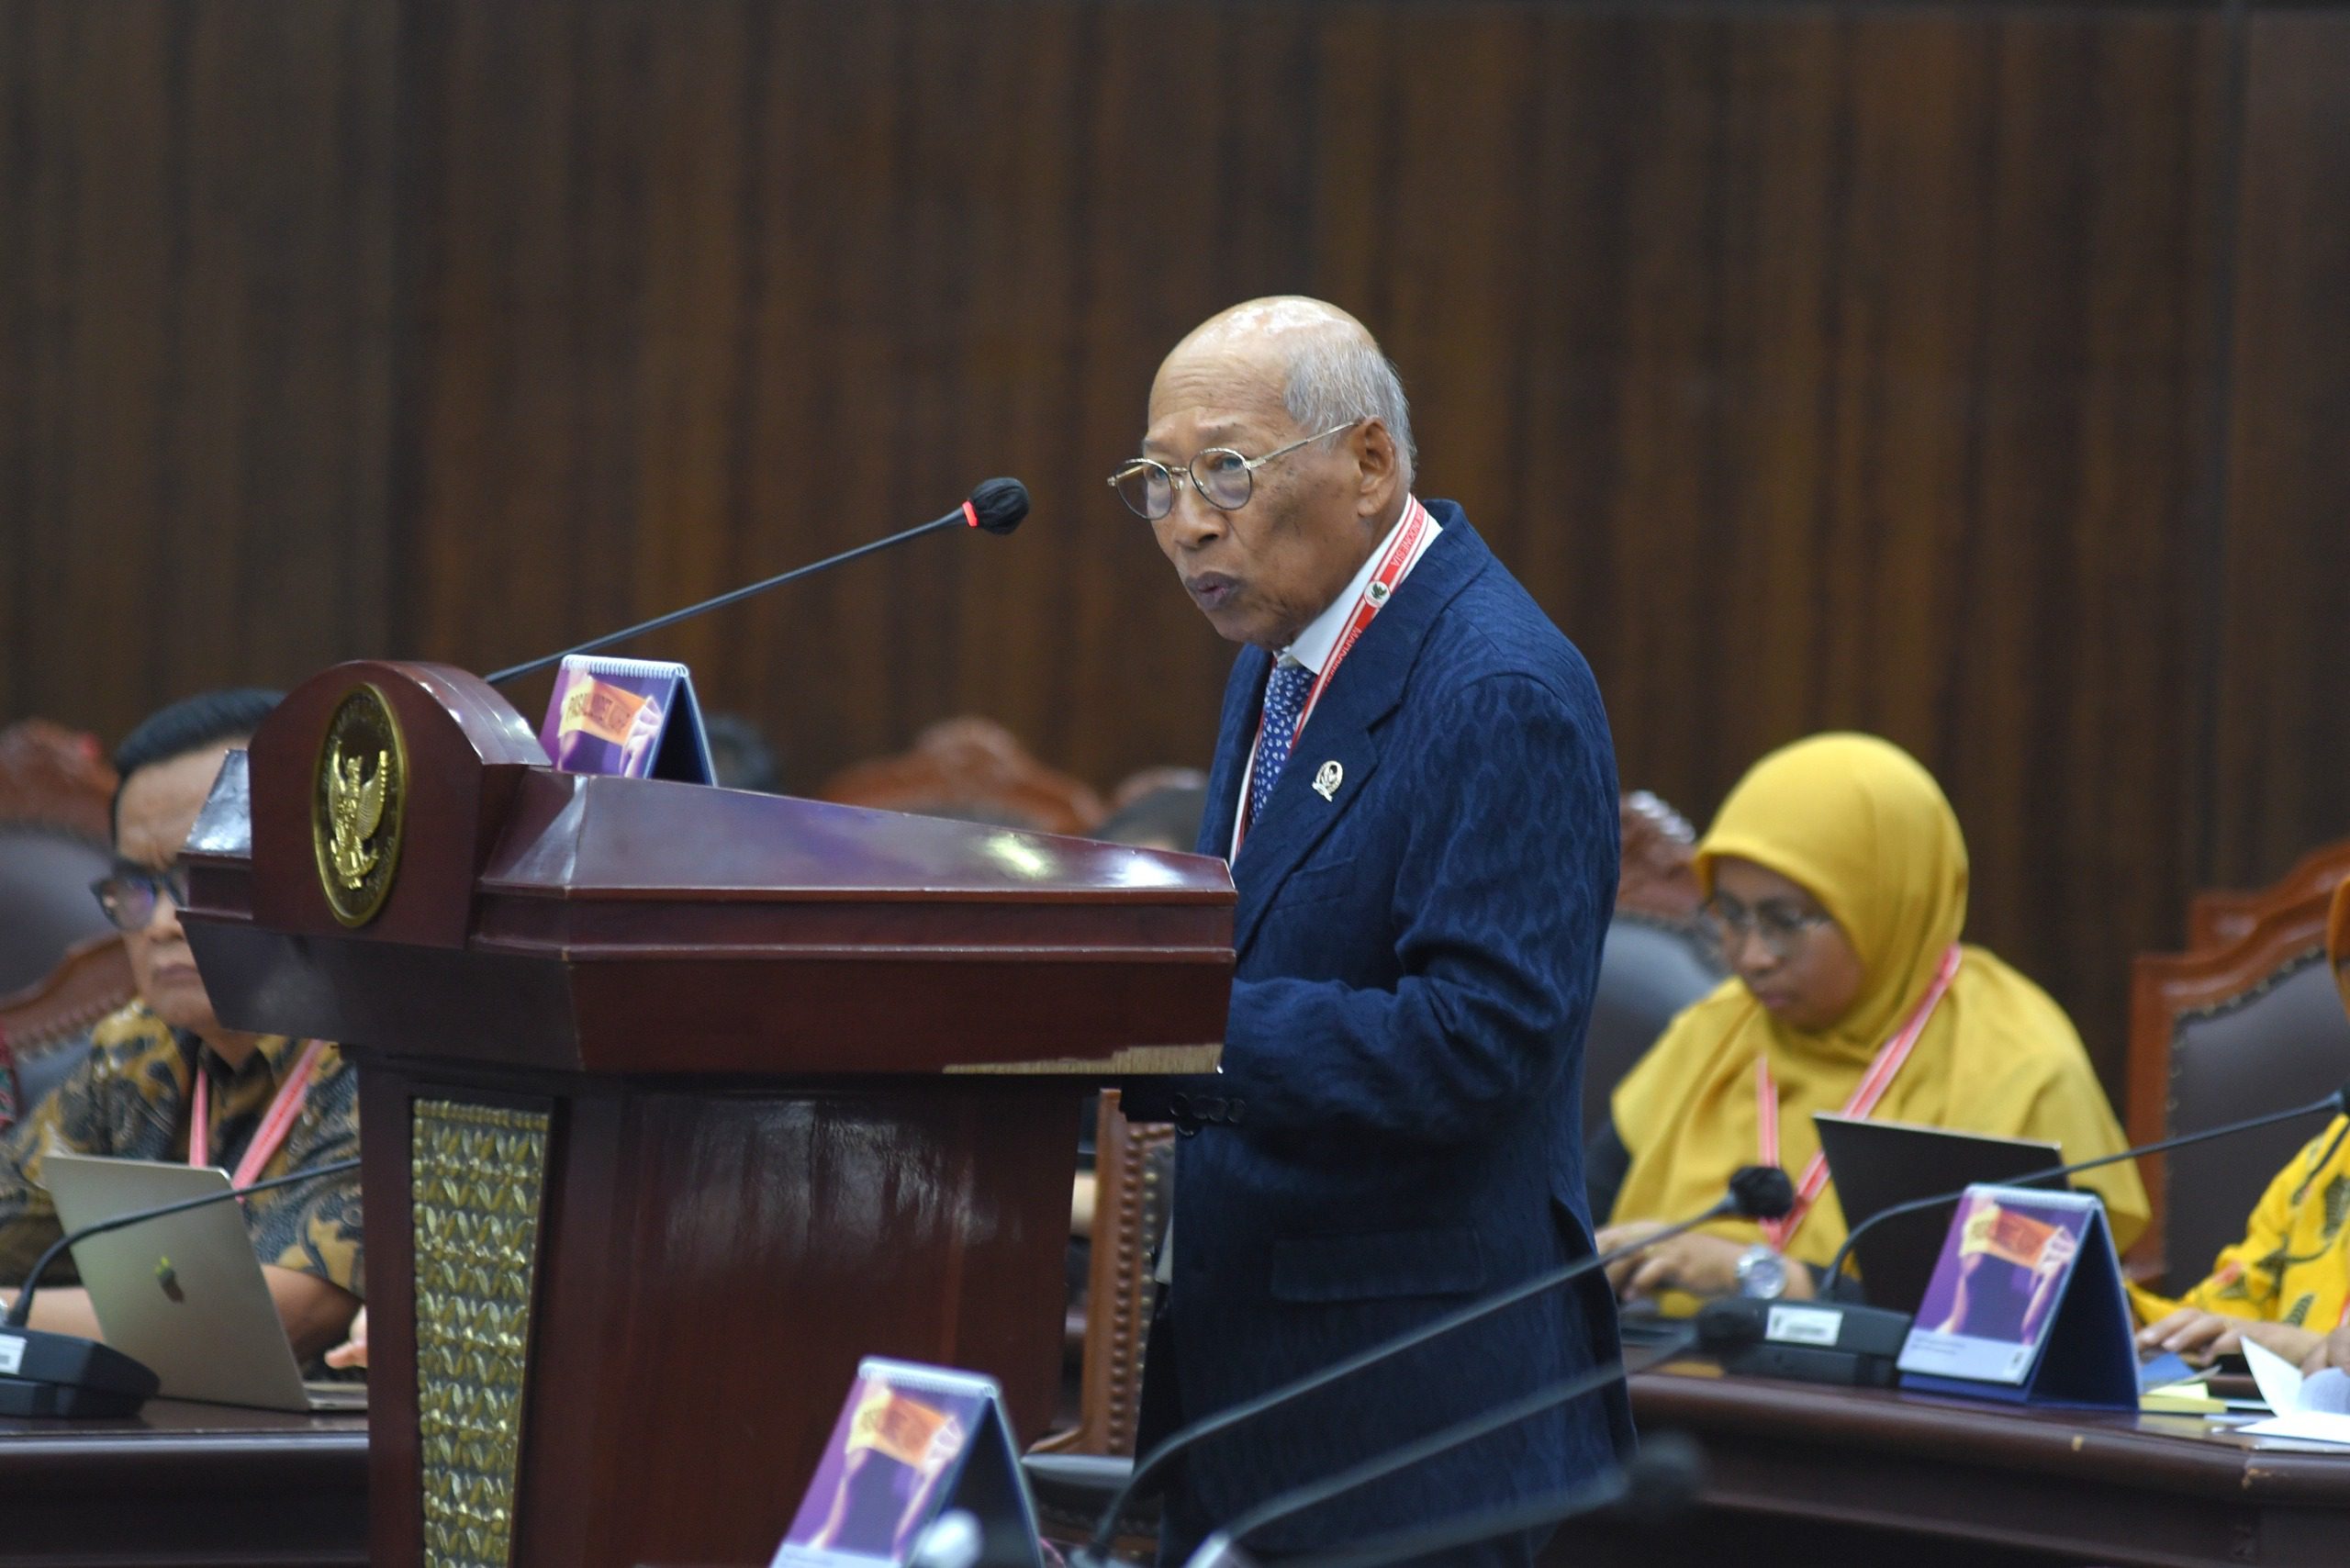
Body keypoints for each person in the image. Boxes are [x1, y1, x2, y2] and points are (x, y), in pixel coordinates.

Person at [1120, 297, 1627, 1565]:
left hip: (1416, 1413)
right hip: (1261, 1390)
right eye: (1159, 482)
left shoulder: (1498, 688)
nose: (1187, 521)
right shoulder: (1284, 654)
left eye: (1225, 470)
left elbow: (1479, 1042)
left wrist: (1166, 1026)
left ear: (1368, 463)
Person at [1592, 734, 2146, 1308]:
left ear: (1887, 903)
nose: (1753, 956)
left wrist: (1766, 1277)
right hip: (1665, 1386)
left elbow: (2015, 1318)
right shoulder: (1715, 1032)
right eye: (1730, 915)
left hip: (1894, 1401)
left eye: (1786, 920)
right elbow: (1577, 1229)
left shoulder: (2019, 1063)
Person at [0, 690, 364, 1362]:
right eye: (139, 888)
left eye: (204, 879)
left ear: (318, 867)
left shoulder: (381, 1052)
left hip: (332, 1457)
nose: (164, 923)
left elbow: (271, 1317)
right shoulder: (139, 1047)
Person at [2136, 878, 2350, 1371]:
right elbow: (2223, 1313)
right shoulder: (2331, 1156)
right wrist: (2105, 1310)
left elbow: (2280, 1343)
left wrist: (2297, 1350)